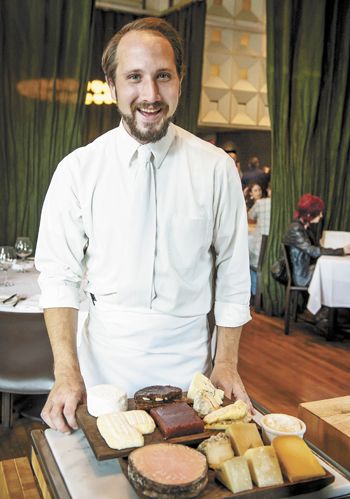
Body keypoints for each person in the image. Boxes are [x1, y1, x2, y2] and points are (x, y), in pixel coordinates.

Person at [35, 17, 252, 434]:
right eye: (134, 77)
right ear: (113, 86)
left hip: (192, 372)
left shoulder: (216, 168)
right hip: (103, 373)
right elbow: (58, 277)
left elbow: (233, 274)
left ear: (180, 81)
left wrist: (226, 362)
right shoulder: (78, 170)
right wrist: (67, 372)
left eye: (163, 76)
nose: (150, 95)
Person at [283, 194, 350, 287]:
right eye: (319, 213)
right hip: (302, 276)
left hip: (305, 270)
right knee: (335, 272)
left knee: (334, 270)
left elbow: (314, 248)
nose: (321, 215)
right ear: (309, 214)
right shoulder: (296, 229)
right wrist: (342, 250)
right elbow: (313, 251)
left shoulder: (304, 226)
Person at [248, 194, 271, 295]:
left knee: (252, 264)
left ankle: (254, 293)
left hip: (258, 247)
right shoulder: (288, 204)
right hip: (276, 251)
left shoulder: (261, 203)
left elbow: (250, 215)